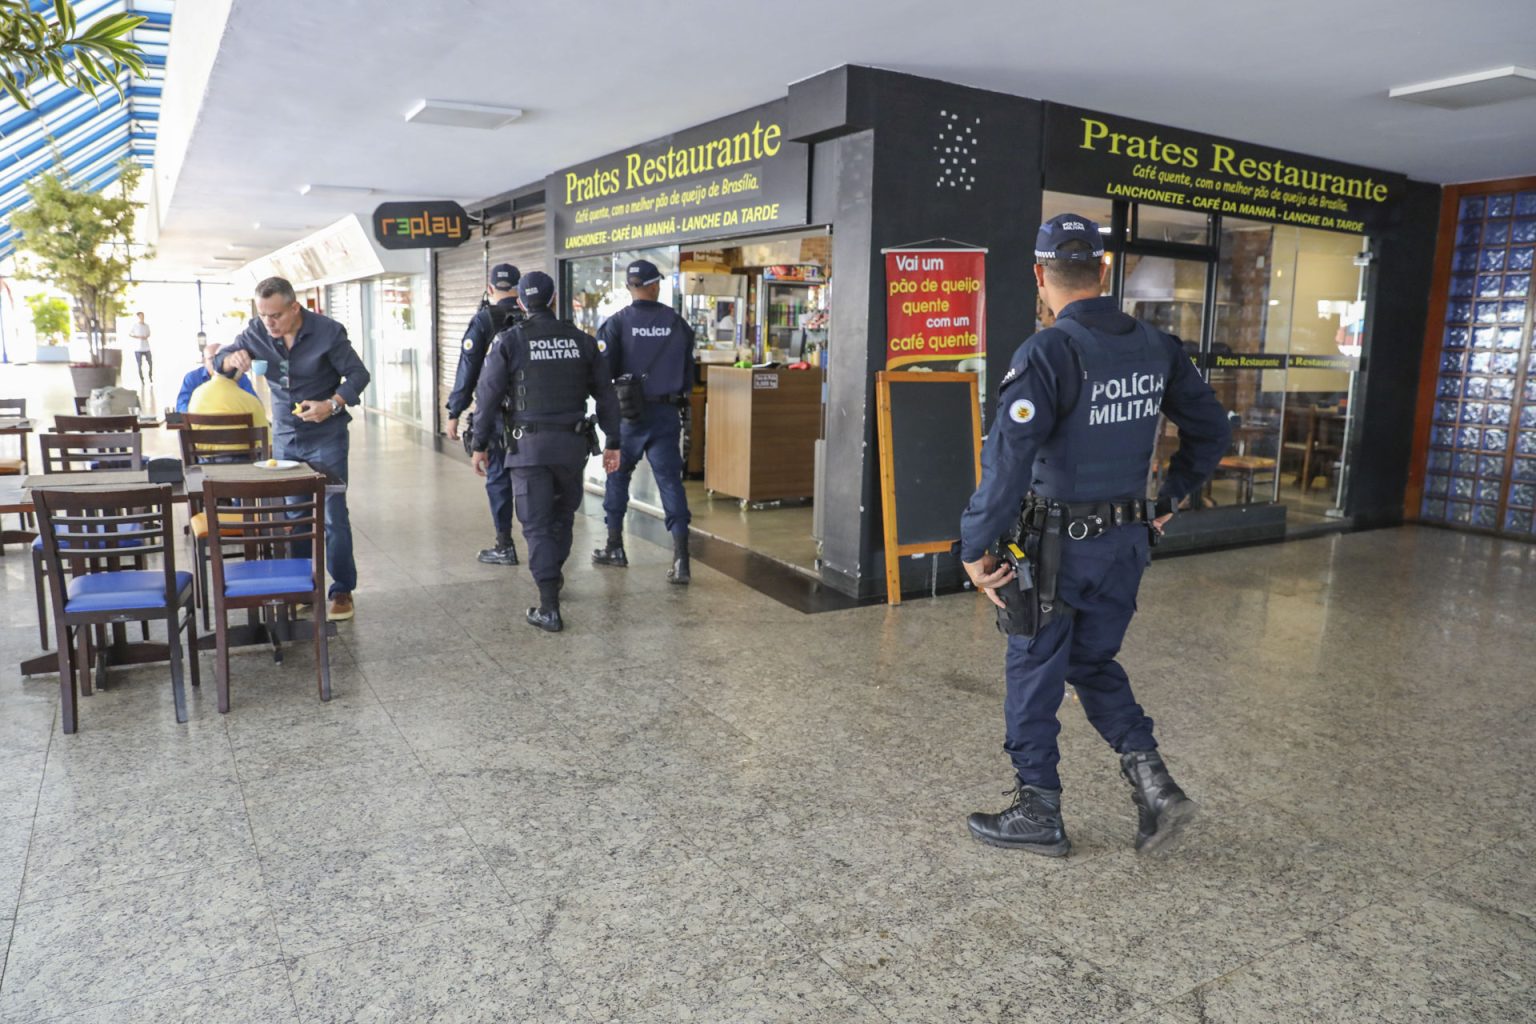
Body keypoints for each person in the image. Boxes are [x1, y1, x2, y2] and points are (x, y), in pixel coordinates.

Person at [959, 213, 1231, 859]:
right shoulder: (1157, 346)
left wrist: (974, 546)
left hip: (1057, 551)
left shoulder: (1049, 350)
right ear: (1105, 271)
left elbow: (1008, 461)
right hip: (1126, 546)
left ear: (1038, 275)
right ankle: (1155, 785)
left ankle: (1038, 812)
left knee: (1033, 669)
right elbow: (1211, 429)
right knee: (1091, 663)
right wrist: (1169, 498)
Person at [470, 271, 621, 633]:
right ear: (554, 300)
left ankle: (549, 605)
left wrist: (478, 444)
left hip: (528, 449)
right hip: (572, 447)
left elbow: (487, 396)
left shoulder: (510, 341)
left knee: (536, 526)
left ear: (521, 302)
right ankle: (553, 573)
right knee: (562, 517)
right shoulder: (583, 342)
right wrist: (614, 440)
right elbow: (606, 395)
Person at [218, 277, 371, 621]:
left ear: (294, 308)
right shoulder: (256, 331)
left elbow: (358, 375)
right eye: (262, 315)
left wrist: (332, 404)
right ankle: (303, 587)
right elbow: (220, 362)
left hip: (327, 434)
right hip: (286, 436)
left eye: (275, 315)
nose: (268, 323)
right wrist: (231, 358)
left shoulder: (328, 332)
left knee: (332, 514)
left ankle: (342, 589)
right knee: (293, 515)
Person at [591, 259, 696, 584]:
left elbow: (602, 375)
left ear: (629, 287)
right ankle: (681, 561)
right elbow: (689, 375)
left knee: (618, 477)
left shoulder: (616, 324)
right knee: (669, 481)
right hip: (666, 415)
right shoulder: (678, 323)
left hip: (629, 416)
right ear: (654, 285)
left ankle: (614, 547)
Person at [446, 263, 524, 566]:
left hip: (495, 416)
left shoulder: (483, 320)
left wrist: (455, 410)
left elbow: (468, 369)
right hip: (533, 414)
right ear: (518, 287)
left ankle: (505, 544)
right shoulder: (532, 316)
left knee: (498, 477)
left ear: (490, 289)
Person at [187, 347, 269, 436]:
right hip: (242, 448)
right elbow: (266, 441)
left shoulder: (196, 395)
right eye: (211, 359)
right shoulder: (251, 401)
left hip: (202, 448)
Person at [177, 338, 256, 413]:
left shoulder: (240, 377)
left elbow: (254, 402)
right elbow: (181, 406)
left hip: (233, 423)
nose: (217, 363)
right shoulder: (192, 378)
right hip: (200, 425)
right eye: (211, 359)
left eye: (220, 358)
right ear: (204, 361)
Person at [128, 312, 153, 385]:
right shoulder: (135, 326)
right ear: (138, 317)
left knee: (150, 363)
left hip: (146, 347)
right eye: (141, 316)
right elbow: (130, 334)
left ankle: (150, 376)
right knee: (139, 364)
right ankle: (142, 380)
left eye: (143, 316)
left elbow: (149, 334)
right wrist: (138, 337)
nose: (142, 317)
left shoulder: (146, 326)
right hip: (138, 348)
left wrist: (146, 336)